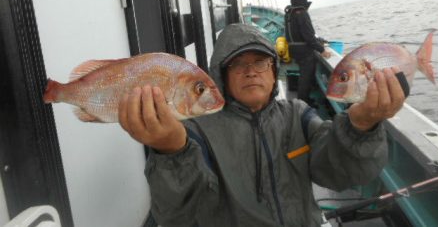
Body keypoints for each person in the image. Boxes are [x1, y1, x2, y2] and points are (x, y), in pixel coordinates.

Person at [119, 23, 406, 227]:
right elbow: (179, 216)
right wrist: (172, 152)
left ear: (273, 72)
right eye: (237, 64)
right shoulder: (195, 131)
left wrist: (361, 125)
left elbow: (336, 172)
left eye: (260, 62)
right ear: (222, 76)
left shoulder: (299, 115)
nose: (250, 72)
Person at [284, 0, 331, 105]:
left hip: (293, 49)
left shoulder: (289, 12)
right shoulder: (302, 13)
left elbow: (298, 33)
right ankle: (302, 103)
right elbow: (309, 37)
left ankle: (304, 100)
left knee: (304, 74)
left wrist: (317, 40)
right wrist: (322, 49)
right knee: (306, 76)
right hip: (304, 51)